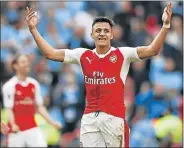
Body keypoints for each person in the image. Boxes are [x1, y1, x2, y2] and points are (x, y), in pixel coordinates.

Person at [26, 2, 172, 147]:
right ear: (92, 35)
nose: (102, 33)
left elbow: (152, 50)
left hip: (114, 119)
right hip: (90, 120)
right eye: (98, 30)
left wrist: (165, 26)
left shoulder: (123, 54)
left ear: (112, 35)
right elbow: (50, 53)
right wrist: (33, 29)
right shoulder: (82, 55)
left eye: (106, 31)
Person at [2, 55, 62, 147]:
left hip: (32, 128)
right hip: (16, 130)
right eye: (23, 62)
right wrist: (13, 125)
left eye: (27, 62)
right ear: (15, 66)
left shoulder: (34, 84)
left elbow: (40, 107)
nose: (27, 64)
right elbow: (9, 109)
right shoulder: (9, 86)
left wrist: (53, 123)